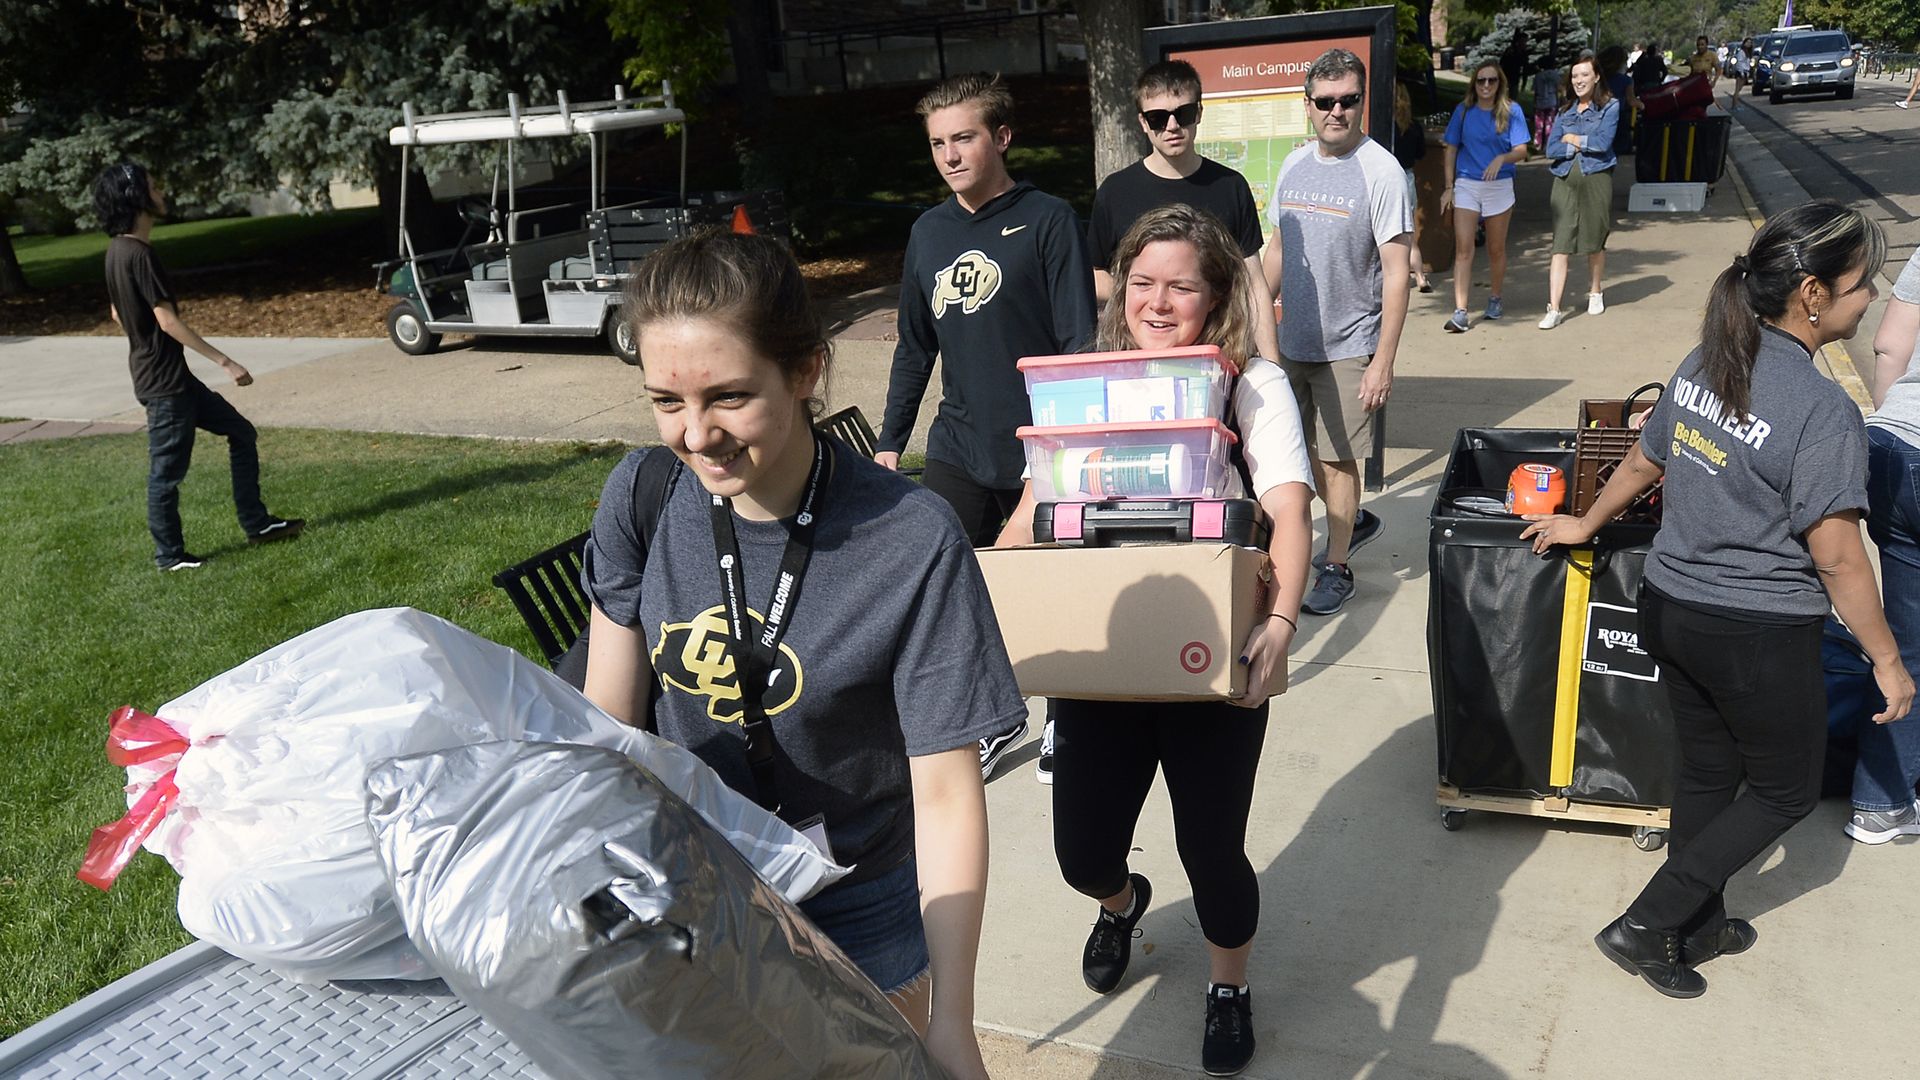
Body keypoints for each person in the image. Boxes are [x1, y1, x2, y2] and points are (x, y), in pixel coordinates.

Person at [580, 230, 1025, 1078]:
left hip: (859, 899)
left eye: (729, 396)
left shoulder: (911, 540)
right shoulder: (642, 496)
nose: (696, 434)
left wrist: (956, 1019)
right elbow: (607, 725)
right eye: (666, 400)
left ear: (806, 371)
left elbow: (944, 793)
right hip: (700, 891)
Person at [1522, 202, 1915, 999]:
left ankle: (1693, 923)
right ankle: (1646, 922)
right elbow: (1839, 559)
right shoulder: (1822, 410)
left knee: (1708, 773)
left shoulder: (1710, 359)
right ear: (1811, 294)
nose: (1869, 297)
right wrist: (1888, 661)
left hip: (1670, 606)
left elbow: (1644, 459)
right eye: (1857, 283)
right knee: (1784, 790)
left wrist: (1586, 520)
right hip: (1753, 631)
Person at [998, 203, 1314, 1077]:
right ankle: (1122, 902)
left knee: (1210, 848)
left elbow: (1289, 512)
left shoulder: (1251, 385)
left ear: (1216, 297)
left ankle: (1227, 986)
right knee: (1080, 853)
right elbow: (1033, 509)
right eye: (1142, 283)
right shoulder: (1089, 386)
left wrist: (1280, 622)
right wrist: (997, 594)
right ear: (1119, 290)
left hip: (1211, 659)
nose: (1158, 302)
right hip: (1100, 659)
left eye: (1181, 285)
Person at [877, 72, 1096, 780]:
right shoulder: (928, 232)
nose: (949, 154)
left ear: (1002, 137)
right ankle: (992, 720)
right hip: (959, 446)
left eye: (963, 137)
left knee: (1051, 587)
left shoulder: (1049, 218)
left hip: (1041, 447)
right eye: (938, 142)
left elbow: (1078, 348)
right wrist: (888, 441)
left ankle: (1066, 717)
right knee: (947, 589)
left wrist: (1056, 454)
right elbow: (916, 347)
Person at [91, 162, 303, 571]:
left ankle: (257, 524)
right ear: (137, 197)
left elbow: (118, 313)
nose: (162, 191)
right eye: (154, 186)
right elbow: (165, 320)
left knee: (241, 432)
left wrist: (143, 343)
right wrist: (225, 361)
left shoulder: (116, 251)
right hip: (165, 386)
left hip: (170, 379)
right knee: (165, 474)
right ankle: (170, 557)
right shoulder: (140, 254)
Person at [1261, 47, 1410, 614]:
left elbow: (1396, 274)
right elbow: (1278, 250)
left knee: (1337, 461)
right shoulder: (1295, 164)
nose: (1337, 111)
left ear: (1361, 101)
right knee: (1286, 456)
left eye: (1348, 100)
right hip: (1288, 340)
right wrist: (1256, 318)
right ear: (1308, 106)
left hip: (1349, 345)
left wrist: (1383, 360)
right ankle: (1354, 521)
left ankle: (1338, 563)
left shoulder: (1382, 172)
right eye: (1325, 102)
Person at [1086, 59, 1281, 366]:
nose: (1173, 126)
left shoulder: (1230, 186)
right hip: (1137, 356)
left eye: (1184, 114)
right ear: (1143, 123)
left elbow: (1253, 281)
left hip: (1219, 355)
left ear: (1199, 113)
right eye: (1158, 118)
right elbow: (1095, 273)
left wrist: (1273, 366)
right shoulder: (1115, 191)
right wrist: (1147, 294)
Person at [1850, 247, 1920, 841]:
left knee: (1903, 643)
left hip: (1893, 445)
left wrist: (1895, 421)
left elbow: (1890, 347)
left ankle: (1880, 802)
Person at [1440, 62, 1529, 334]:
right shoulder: (1464, 111)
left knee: (1495, 248)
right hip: (1467, 183)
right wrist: (1448, 186)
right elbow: (1451, 148)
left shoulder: (1512, 111)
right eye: (1481, 81)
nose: (1486, 86)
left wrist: (1502, 158)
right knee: (1464, 248)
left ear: (1499, 82)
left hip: (1499, 185)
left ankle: (1495, 297)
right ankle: (1461, 311)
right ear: (1474, 84)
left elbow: (1522, 149)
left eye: (1491, 81)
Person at [1538, 53, 1620, 330]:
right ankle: (1554, 308)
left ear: (1596, 77)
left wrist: (1572, 139)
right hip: (1564, 180)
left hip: (1596, 177)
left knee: (1594, 238)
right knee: (1560, 244)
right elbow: (1551, 150)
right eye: (1574, 76)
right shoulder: (1565, 111)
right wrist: (1575, 144)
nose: (1579, 80)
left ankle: (1595, 291)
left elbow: (1603, 142)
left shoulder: (1610, 107)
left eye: (1584, 75)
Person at [1392, 82, 1433, 293]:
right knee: (1410, 233)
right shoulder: (1413, 126)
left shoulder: (1384, 125)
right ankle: (1420, 277)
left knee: (1389, 235)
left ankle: (1396, 280)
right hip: (1407, 176)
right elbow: (1421, 153)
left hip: (1388, 177)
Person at [1601, 45, 1640, 152]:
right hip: (1617, 118)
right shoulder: (1626, 81)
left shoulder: (1598, 77)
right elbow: (1631, 101)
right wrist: (1642, 105)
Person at [1531, 52, 1563, 150]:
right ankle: (1548, 144)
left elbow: (1534, 90)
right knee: (1550, 123)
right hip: (1552, 101)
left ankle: (1537, 144)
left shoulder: (1538, 76)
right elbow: (1559, 89)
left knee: (1539, 124)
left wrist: (1534, 102)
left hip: (1540, 102)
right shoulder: (1555, 75)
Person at [1729, 36, 1757, 110]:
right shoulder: (1741, 52)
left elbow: (1747, 63)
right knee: (1737, 90)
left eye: (1750, 43)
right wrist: (1741, 72)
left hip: (1745, 72)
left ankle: (1735, 105)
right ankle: (1734, 106)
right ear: (1744, 43)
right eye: (1747, 42)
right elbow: (1740, 63)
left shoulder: (1748, 52)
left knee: (1739, 89)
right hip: (1740, 72)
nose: (1749, 44)